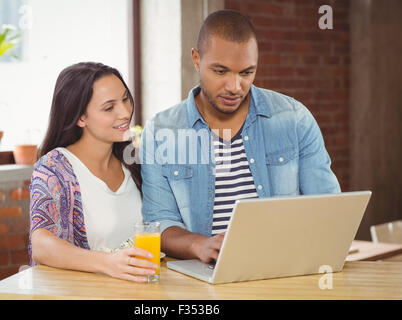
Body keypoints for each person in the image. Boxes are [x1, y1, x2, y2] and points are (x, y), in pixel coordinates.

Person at [140, 10, 341, 264]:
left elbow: (328, 209)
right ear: (196, 59)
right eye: (221, 72)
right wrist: (200, 245)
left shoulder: (294, 119)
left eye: (246, 73)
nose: (235, 87)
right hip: (203, 283)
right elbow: (159, 222)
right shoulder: (160, 132)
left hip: (283, 269)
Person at [28, 62, 158, 282]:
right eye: (109, 108)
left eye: (125, 98)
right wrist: (108, 263)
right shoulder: (54, 167)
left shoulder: (134, 162)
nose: (125, 112)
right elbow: (41, 244)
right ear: (81, 118)